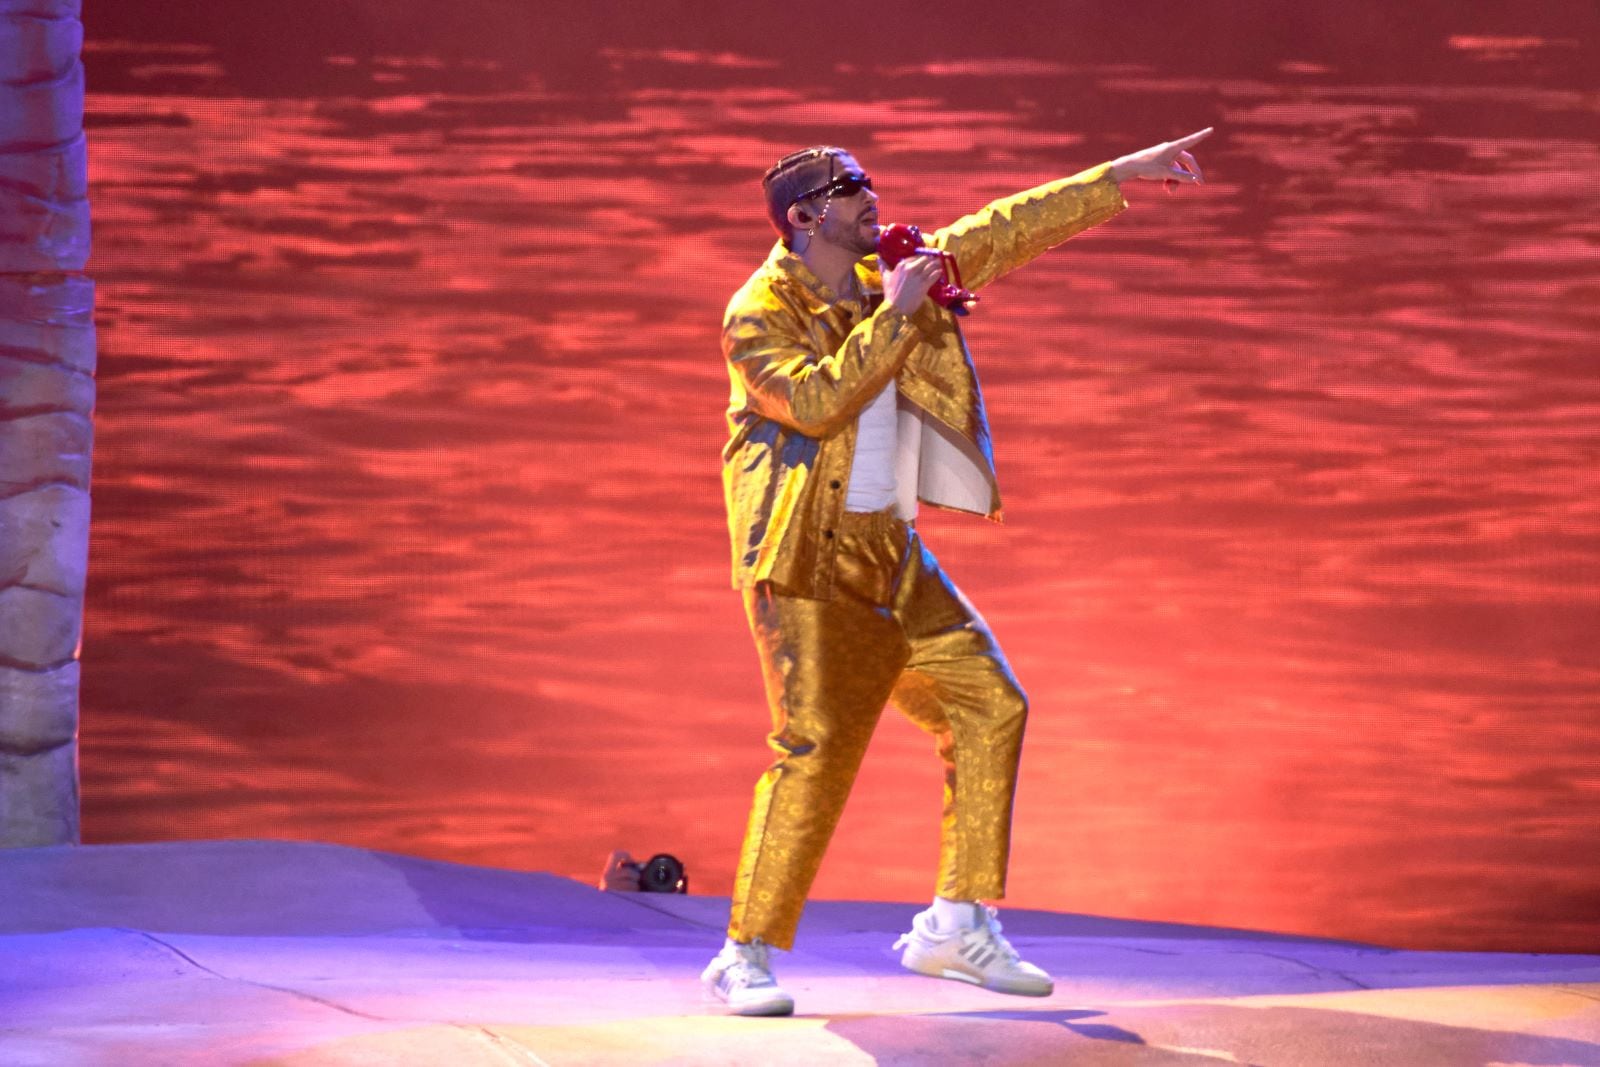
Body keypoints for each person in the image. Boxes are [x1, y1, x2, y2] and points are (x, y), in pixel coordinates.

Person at [702, 128, 1213, 1016]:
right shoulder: (758, 310)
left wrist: (1118, 175)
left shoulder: (887, 274)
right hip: (809, 561)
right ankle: (741, 953)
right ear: (805, 217)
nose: (872, 197)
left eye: (868, 181)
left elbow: (997, 231)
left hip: (891, 551)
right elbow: (816, 404)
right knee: (815, 751)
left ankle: (955, 922)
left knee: (990, 703)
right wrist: (897, 315)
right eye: (852, 188)